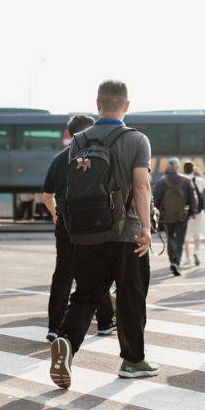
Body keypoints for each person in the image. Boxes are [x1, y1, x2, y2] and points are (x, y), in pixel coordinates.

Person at [49, 79, 158, 387]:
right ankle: (133, 361)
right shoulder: (137, 140)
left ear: (98, 105)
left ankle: (67, 341)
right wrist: (146, 228)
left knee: (85, 296)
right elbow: (141, 184)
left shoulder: (78, 140)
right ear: (126, 106)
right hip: (128, 234)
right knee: (130, 297)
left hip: (87, 232)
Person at [41, 114, 115, 342]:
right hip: (92, 222)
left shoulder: (59, 159)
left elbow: (46, 196)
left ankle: (54, 326)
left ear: (70, 133)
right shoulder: (100, 155)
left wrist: (56, 214)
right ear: (89, 132)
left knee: (63, 273)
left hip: (66, 221)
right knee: (96, 271)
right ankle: (105, 321)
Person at [153, 157, 197, 276]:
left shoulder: (161, 182)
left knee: (170, 239)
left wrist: (155, 214)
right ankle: (176, 261)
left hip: (166, 217)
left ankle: (172, 261)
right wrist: (192, 212)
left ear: (167, 167)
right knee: (180, 240)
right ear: (178, 167)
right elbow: (193, 199)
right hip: (182, 216)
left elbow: (155, 199)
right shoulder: (186, 181)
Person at [182, 161, 205, 267]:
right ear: (193, 170)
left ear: (184, 169)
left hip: (187, 212)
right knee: (197, 234)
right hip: (198, 211)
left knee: (186, 235)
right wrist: (199, 172)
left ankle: (188, 259)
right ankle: (196, 252)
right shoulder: (197, 180)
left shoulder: (182, 180)